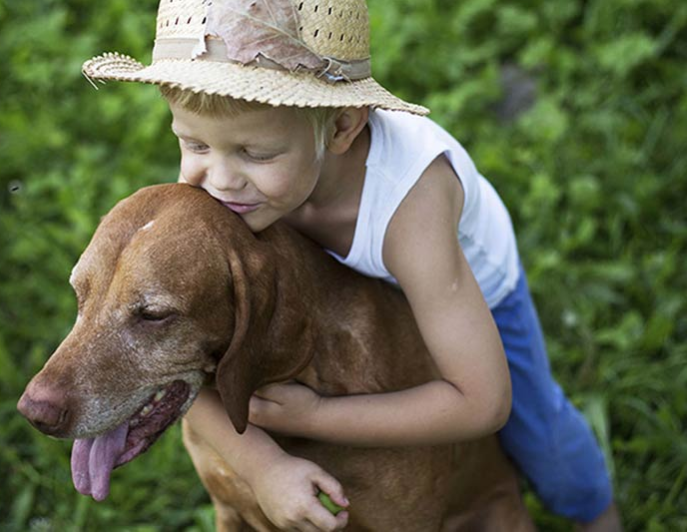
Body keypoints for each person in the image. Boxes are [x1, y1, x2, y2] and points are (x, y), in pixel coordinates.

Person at [82, 0, 621, 530]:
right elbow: (187, 357)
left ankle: (596, 511)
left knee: (536, 433)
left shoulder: (411, 207)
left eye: (255, 153)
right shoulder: (241, 186)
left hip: (457, 285)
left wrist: (312, 417)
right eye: (194, 143)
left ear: (341, 126)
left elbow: (481, 402)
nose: (219, 181)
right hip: (335, 286)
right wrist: (264, 468)